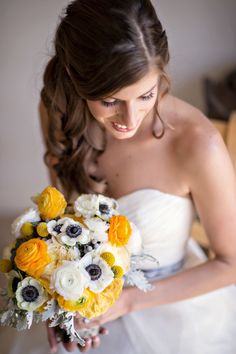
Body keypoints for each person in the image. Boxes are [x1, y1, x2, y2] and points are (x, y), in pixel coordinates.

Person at [19, 0, 236, 353]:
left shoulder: (198, 144)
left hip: (173, 312)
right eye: (109, 101)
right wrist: (55, 298)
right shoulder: (57, 108)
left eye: (146, 95)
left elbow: (231, 263)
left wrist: (127, 302)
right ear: (77, 82)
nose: (129, 119)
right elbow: (59, 218)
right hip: (83, 305)